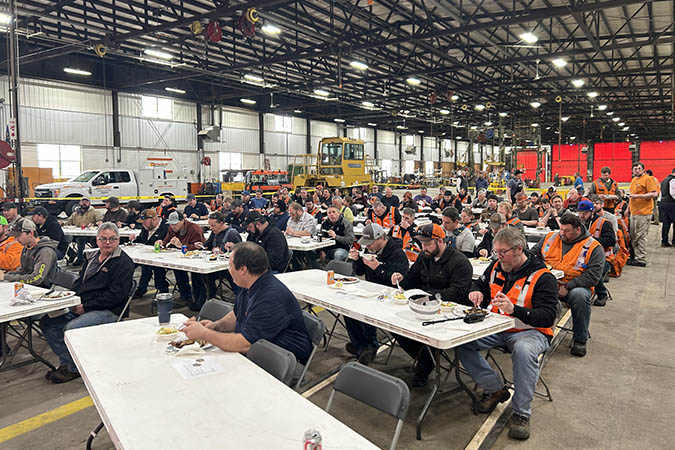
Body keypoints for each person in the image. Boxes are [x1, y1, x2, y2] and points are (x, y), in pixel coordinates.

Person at [459, 227, 558, 441]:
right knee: (460, 340)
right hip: (497, 326)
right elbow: (480, 283)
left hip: (530, 331)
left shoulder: (543, 277)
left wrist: (516, 310)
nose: (498, 256)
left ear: (519, 249)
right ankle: (495, 388)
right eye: (496, 252)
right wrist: (475, 290)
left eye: (502, 252)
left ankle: (521, 413)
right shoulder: (496, 266)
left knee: (523, 351)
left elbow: (548, 317)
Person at [181, 242, 312, 364]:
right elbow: (237, 314)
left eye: (230, 266)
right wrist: (216, 326)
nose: (229, 270)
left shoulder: (270, 297)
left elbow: (246, 344)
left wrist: (205, 334)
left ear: (243, 270)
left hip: (283, 359)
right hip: (262, 349)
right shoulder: (249, 284)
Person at [40, 223, 134, 383]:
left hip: (109, 310)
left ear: (118, 240)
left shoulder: (124, 263)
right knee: (48, 322)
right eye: (103, 238)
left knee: (70, 329)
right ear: (97, 240)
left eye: (112, 238)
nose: (107, 242)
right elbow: (80, 282)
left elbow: (117, 295)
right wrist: (71, 299)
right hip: (82, 304)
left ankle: (74, 368)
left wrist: (86, 307)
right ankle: (69, 363)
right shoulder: (92, 257)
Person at [390, 224, 473, 387]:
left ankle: (425, 363)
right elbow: (411, 278)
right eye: (422, 243)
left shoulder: (460, 262)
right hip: (423, 306)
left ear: (441, 241)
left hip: (450, 311)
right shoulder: (424, 256)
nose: (424, 247)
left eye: (427, 243)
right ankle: (425, 359)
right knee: (395, 326)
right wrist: (400, 279)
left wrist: (427, 296)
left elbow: (456, 293)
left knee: (425, 331)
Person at [531, 214, 604, 357]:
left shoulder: (593, 247)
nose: (562, 233)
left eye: (567, 231)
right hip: (547, 283)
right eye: (561, 229)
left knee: (580, 297)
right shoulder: (550, 238)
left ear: (578, 229)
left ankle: (580, 339)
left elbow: (593, 276)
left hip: (574, 286)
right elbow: (533, 255)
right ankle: (534, 335)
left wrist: (569, 286)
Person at [344, 223, 409, 365]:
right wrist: (356, 260)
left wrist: (378, 268)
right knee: (347, 309)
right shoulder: (369, 250)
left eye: (370, 243)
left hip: (390, 296)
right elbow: (360, 271)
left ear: (381, 238)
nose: (367, 246)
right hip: (370, 290)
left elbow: (399, 283)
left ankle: (370, 346)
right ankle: (360, 345)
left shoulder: (397, 254)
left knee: (367, 310)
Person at [192, 212, 242, 308]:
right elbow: (207, 246)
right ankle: (202, 301)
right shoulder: (214, 233)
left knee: (205, 276)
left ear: (222, 223)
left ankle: (209, 299)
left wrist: (228, 250)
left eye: (213, 225)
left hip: (227, 268)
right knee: (196, 273)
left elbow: (241, 253)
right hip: (214, 265)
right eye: (210, 225)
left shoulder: (232, 233)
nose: (211, 228)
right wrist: (200, 245)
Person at [162, 211, 205, 309]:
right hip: (179, 258)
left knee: (196, 274)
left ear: (183, 221)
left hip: (196, 259)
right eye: (171, 224)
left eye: (175, 224)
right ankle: (184, 295)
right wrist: (162, 243)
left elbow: (200, 247)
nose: (173, 227)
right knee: (177, 269)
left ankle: (196, 299)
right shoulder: (171, 229)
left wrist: (181, 245)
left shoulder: (194, 229)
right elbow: (166, 240)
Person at [577, 200, 615, 307]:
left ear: (592, 212)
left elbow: (611, 241)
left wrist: (592, 240)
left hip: (604, 258)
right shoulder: (579, 224)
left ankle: (602, 294)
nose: (581, 215)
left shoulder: (604, 223)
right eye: (580, 213)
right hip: (584, 257)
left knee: (593, 273)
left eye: (584, 213)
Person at [1, 219, 58, 287]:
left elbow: (36, 279)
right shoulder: (26, 248)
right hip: (27, 287)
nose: (16, 239)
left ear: (31, 233)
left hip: (42, 290)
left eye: (18, 236)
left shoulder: (46, 252)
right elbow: (23, 271)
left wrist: (6, 277)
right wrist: (6, 274)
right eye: (15, 236)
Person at [131, 209, 170, 299]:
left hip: (162, 257)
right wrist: (134, 239)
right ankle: (139, 288)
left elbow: (168, 242)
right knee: (130, 264)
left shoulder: (166, 227)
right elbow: (143, 240)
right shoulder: (146, 228)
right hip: (147, 255)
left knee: (154, 267)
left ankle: (162, 289)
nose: (143, 225)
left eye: (145, 222)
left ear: (154, 219)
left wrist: (163, 243)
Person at [627, 162, 659, 267]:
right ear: (632, 170)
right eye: (635, 169)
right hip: (634, 212)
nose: (637, 170)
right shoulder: (634, 180)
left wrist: (638, 196)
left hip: (644, 213)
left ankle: (641, 259)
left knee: (641, 236)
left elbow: (654, 194)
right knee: (633, 236)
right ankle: (635, 256)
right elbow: (631, 196)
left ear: (643, 170)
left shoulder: (648, 179)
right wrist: (628, 209)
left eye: (639, 168)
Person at [63, 197, 102, 265]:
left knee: (80, 239)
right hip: (75, 233)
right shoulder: (75, 213)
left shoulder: (95, 212)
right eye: (82, 201)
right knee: (63, 238)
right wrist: (62, 223)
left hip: (89, 235)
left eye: (86, 202)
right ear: (79, 203)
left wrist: (94, 224)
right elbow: (68, 222)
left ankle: (80, 258)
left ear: (89, 203)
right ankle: (72, 253)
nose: (84, 203)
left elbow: (100, 222)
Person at [660, 167, 675, 247]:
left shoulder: (664, 180)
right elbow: (673, 192)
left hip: (663, 202)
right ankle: (674, 241)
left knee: (666, 223)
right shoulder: (673, 180)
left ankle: (664, 241)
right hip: (671, 203)